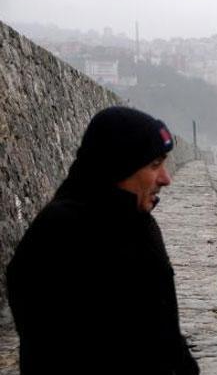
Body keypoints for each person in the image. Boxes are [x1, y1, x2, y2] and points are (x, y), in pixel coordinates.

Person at [6, 107, 199, 375]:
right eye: (155, 165)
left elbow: (164, 332)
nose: (166, 179)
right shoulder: (59, 236)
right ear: (120, 166)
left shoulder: (138, 221)